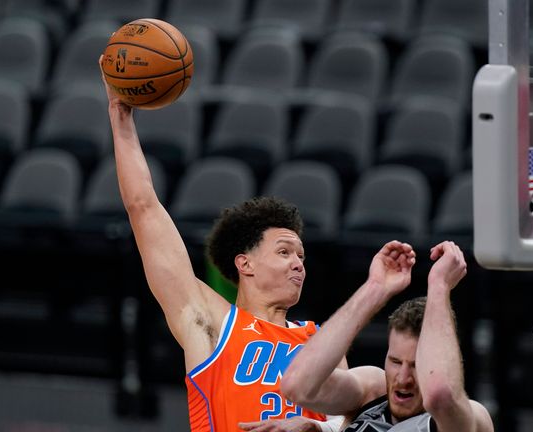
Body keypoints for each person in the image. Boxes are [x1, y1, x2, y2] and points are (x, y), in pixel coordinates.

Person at [100, 56, 369, 431]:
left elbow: (349, 418)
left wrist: (314, 427)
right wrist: (120, 115)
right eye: (284, 252)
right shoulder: (210, 321)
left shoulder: (319, 338)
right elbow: (143, 208)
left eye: (301, 256)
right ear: (246, 264)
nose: (299, 264)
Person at [281, 241, 494, 432]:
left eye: (416, 366)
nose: (403, 379)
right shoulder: (372, 391)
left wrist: (439, 286)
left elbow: (440, 394)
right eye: (395, 361)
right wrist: (375, 287)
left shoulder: (468, 417)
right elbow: (297, 386)